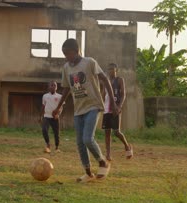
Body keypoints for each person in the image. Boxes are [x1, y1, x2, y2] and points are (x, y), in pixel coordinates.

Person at [53, 38, 118, 183]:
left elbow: (105, 80)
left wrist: (113, 102)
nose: (66, 57)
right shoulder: (66, 68)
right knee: (80, 143)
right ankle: (88, 173)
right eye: (64, 54)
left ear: (76, 51)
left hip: (93, 105)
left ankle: (102, 162)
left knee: (87, 138)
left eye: (68, 54)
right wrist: (58, 107)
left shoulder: (89, 62)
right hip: (79, 109)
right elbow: (66, 89)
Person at [101, 63, 133, 161]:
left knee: (116, 132)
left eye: (112, 69)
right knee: (107, 132)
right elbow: (102, 94)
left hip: (115, 108)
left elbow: (123, 94)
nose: (110, 71)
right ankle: (108, 154)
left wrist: (119, 106)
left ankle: (127, 146)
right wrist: (101, 105)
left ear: (116, 70)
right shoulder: (105, 81)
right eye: (109, 69)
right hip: (106, 109)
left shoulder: (119, 80)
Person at [39, 81, 62, 153]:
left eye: (54, 85)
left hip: (55, 117)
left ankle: (57, 147)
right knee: (44, 129)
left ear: (56, 87)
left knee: (56, 133)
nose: (53, 86)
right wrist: (40, 116)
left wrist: (58, 114)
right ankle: (48, 144)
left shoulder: (59, 96)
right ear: (49, 87)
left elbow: (61, 107)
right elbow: (43, 106)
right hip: (46, 116)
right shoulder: (45, 96)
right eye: (51, 85)